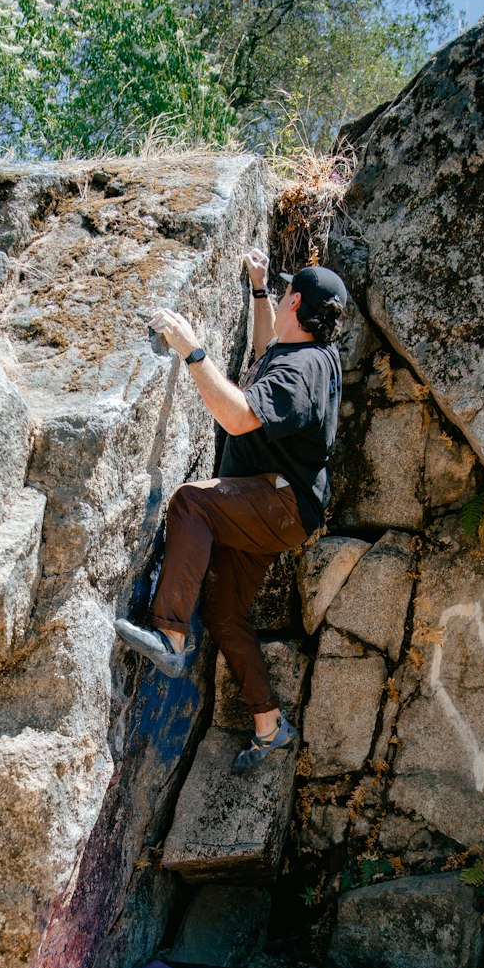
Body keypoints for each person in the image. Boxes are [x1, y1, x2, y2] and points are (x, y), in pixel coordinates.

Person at [115, 248, 347, 773]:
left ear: (297, 302)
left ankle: (170, 635)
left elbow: (240, 417)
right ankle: (270, 726)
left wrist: (193, 351)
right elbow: (267, 346)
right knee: (223, 613)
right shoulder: (308, 355)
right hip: (275, 508)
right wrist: (259, 288)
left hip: (278, 503)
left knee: (192, 501)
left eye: (282, 293)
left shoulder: (301, 370)